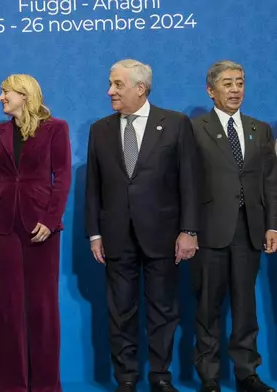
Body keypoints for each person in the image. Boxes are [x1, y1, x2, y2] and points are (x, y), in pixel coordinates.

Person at [84, 59, 199, 392]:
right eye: (110, 83)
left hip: (164, 235)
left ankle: (161, 376)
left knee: (163, 309)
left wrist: (189, 230)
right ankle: (127, 378)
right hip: (116, 235)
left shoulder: (175, 124)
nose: (110, 91)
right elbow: (93, 186)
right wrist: (94, 232)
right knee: (120, 311)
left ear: (140, 88)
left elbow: (190, 182)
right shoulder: (100, 129)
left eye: (117, 85)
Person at [0, 74, 71, 392]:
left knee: (42, 307)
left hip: (41, 226)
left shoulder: (56, 128)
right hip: (3, 225)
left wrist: (51, 220)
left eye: (5, 92)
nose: (0, 98)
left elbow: (63, 177)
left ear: (24, 95)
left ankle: (45, 385)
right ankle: (9, 385)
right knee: (7, 307)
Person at [190, 60, 277, 392]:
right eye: (227, 84)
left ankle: (247, 373)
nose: (236, 89)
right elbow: (187, 182)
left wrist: (273, 226)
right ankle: (209, 376)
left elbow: (270, 184)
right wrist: (188, 229)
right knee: (208, 305)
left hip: (250, 230)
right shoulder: (194, 128)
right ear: (211, 91)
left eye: (240, 83)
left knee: (245, 307)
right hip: (209, 229)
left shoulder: (260, 129)